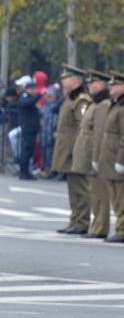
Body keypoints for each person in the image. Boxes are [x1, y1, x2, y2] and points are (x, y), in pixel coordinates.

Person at [69, 71, 112, 236]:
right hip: (88, 153)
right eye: (90, 82)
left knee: (100, 193)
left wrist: (96, 157)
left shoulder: (102, 105)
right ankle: (96, 225)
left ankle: (100, 227)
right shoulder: (95, 103)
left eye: (95, 83)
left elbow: (99, 133)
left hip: (96, 155)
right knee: (94, 192)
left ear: (103, 85)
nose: (90, 85)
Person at [52, 65, 92, 233]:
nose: (63, 81)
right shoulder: (70, 98)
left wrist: (77, 149)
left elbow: (82, 128)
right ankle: (75, 220)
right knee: (72, 188)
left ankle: (82, 222)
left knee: (80, 188)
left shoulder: (81, 100)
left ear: (75, 81)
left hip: (74, 149)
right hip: (66, 149)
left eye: (66, 78)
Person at [101, 71, 124, 242]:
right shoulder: (116, 105)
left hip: (118, 157)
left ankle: (122, 229)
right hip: (111, 157)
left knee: (121, 197)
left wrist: (121, 161)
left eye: (115, 85)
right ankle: (120, 227)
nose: (111, 87)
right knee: (116, 197)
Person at [16, 81, 42, 179]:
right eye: (33, 88)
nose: (34, 90)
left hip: (32, 128)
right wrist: (40, 94)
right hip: (28, 128)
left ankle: (26, 171)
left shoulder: (29, 98)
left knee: (29, 151)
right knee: (26, 150)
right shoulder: (24, 97)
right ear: (28, 89)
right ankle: (23, 172)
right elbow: (29, 102)